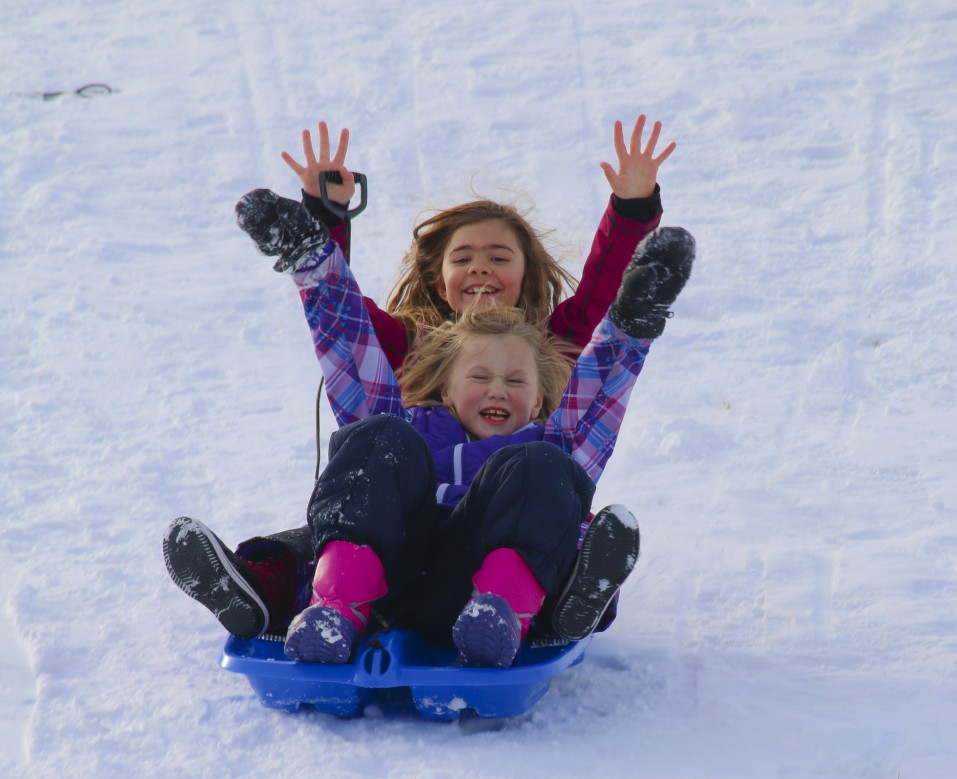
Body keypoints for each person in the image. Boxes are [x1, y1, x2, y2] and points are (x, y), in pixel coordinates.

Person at [163, 192, 695, 668]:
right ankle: (316, 609)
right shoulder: (410, 427)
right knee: (375, 439)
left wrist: (636, 319)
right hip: (388, 581)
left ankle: (534, 608)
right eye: (479, 377)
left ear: (539, 399)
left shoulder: (549, 443)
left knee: (551, 474)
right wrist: (311, 258)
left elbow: (600, 391)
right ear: (444, 389)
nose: (497, 390)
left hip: (486, 595)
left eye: (515, 381)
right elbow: (351, 351)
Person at [279, 116, 676, 367]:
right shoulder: (406, 347)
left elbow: (603, 294)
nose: (479, 267)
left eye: (499, 258)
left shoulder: (555, 345)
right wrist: (326, 215)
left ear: (527, 277)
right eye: (463, 258)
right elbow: (342, 314)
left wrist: (631, 210)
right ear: (439, 283)